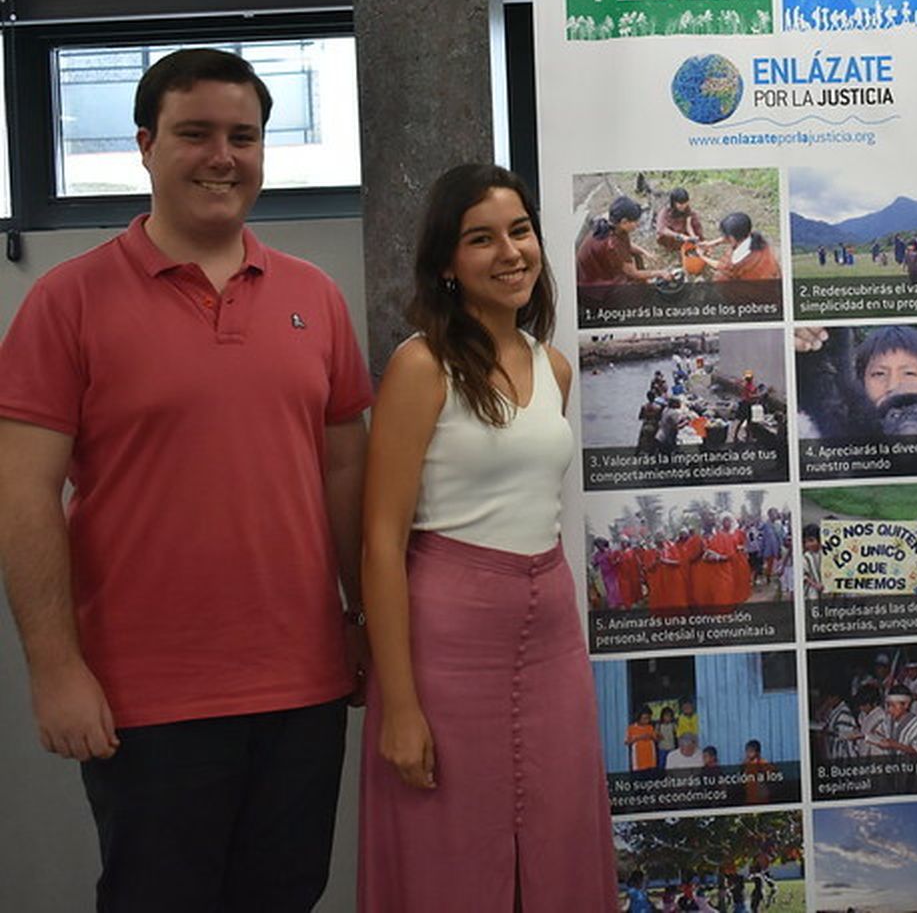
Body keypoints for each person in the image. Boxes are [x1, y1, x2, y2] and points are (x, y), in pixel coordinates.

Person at [0, 48, 370, 911]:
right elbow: (22, 495)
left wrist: (358, 619)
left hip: (303, 683)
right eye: (195, 133)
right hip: (148, 696)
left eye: (243, 136)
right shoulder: (68, 301)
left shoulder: (314, 297)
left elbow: (346, 464)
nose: (222, 156)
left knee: (285, 895)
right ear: (144, 144)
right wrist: (56, 668)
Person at [358, 162, 614, 909]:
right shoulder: (420, 366)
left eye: (521, 230)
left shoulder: (554, 367)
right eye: (481, 239)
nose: (510, 252)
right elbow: (380, 540)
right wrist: (399, 705)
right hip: (447, 641)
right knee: (449, 849)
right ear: (446, 262)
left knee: (560, 835)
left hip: (552, 635)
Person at [576, 195, 669, 286]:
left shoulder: (614, 225)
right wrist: (659, 273)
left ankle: (643, 284)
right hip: (593, 281)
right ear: (624, 222)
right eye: (635, 221)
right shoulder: (612, 244)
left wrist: (645, 252)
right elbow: (633, 273)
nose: (637, 224)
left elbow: (627, 244)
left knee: (637, 255)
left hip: (601, 267)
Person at [705, 211, 781, 282]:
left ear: (732, 238)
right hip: (773, 277)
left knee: (720, 277)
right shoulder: (757, 240)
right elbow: (732, 239)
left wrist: (702, 257)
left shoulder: (736, 261)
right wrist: (713, 243)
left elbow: (721, 266)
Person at [655, 186, 705, 252]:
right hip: (672, 234)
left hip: (682, 231)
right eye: (680, 204)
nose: (683, 206)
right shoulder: (665, 211)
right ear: (674, 203)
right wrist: (680, 236)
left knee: (695, 218)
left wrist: (693, 237)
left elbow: (688, 225)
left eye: (685, 203)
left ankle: (696, 244)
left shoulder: (687, 209)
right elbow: (662, 229)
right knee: (665, 235)